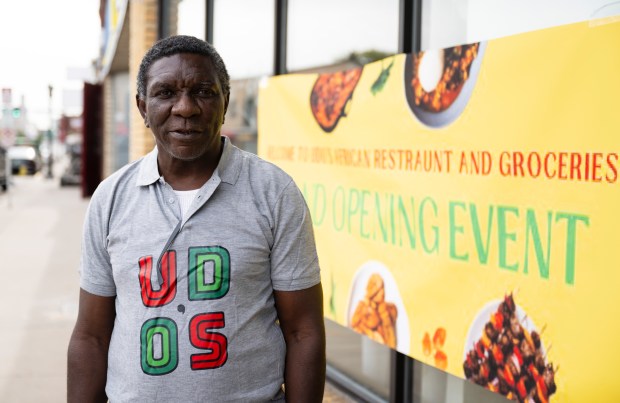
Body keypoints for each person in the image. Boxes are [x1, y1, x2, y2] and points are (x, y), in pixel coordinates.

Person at [67, 35, 325, 403]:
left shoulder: (273, 192)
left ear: (225, 103)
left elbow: (304, 332)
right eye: (165, 93)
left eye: (203, 92)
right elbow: (90, 337)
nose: (185, 108)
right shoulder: (111, 199)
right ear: (142, 107)